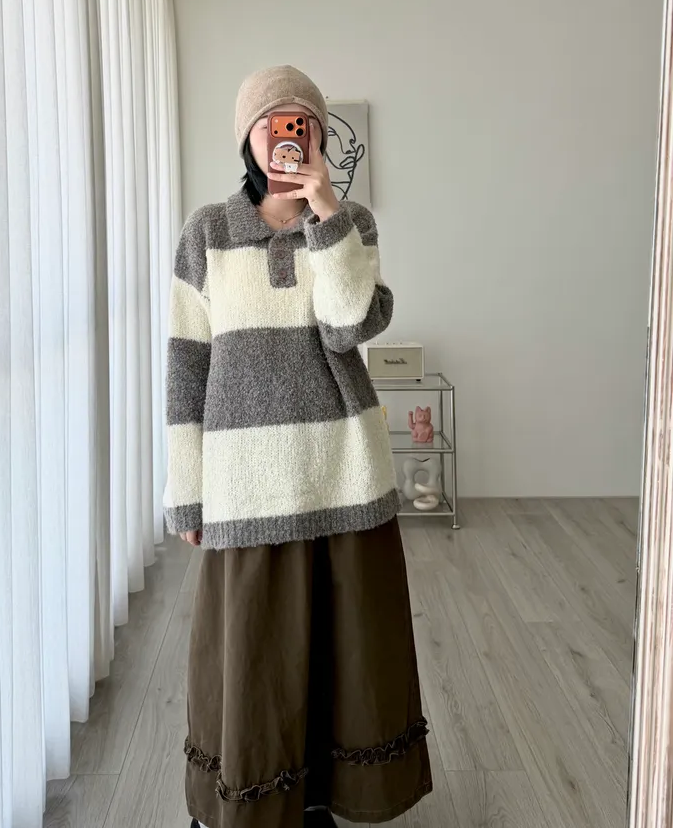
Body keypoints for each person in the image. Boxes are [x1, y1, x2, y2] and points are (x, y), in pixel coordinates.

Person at [164, 66, 432, 828]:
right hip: (247, 483)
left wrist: (326, 212)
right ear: (248, 138)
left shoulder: (350, 222)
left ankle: (327, 795)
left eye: (301, 122)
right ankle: (252, 797)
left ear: (317, 134)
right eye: (272, 122)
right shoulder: (207, 231)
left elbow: (349, 324)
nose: (286, 135)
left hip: (343, 469)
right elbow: (186, 363)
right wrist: (187, 489)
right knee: (253, 654)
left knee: (350, 651)